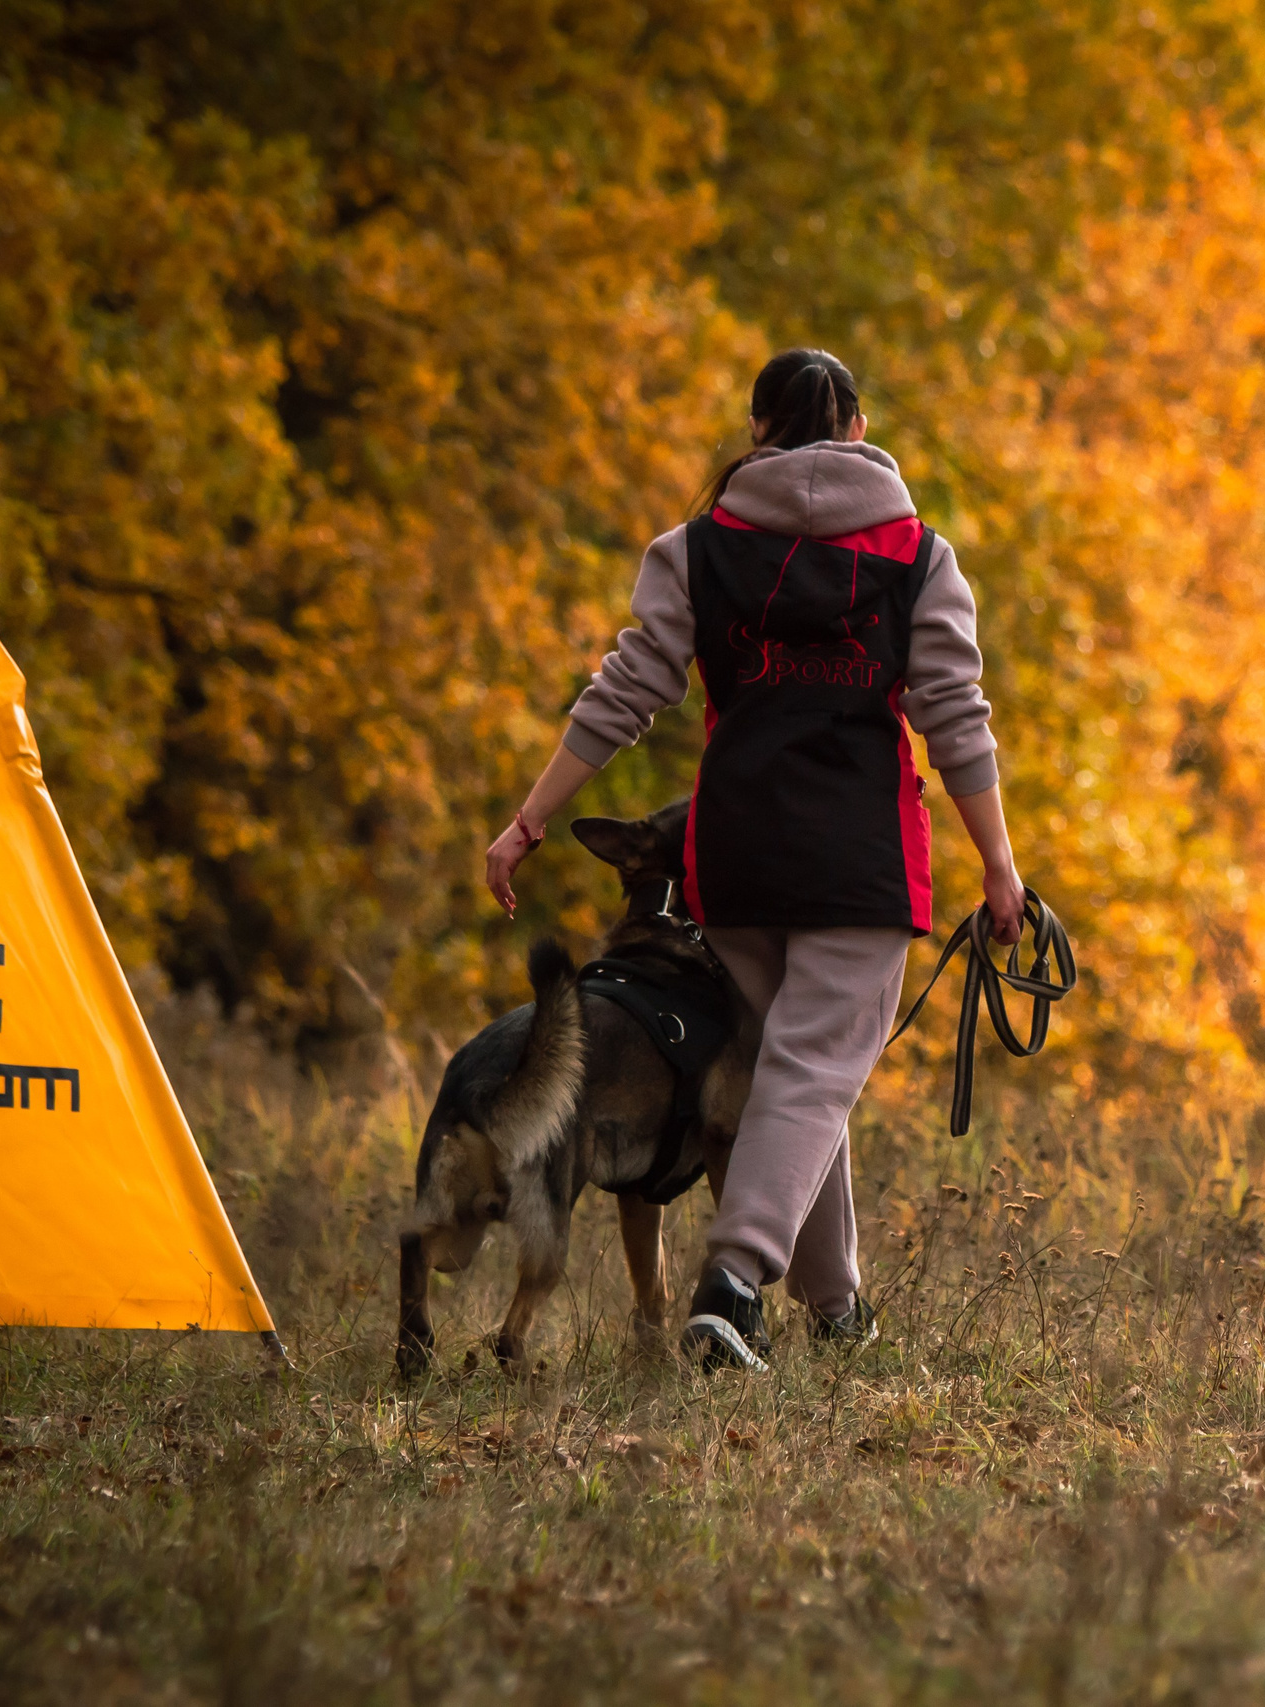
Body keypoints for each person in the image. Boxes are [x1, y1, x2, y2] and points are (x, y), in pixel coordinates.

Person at [482, 348, 1022, 1372]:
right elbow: (954, 716)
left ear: (757, 429)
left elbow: (625, 691)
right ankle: (732, 1284)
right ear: (858, 428)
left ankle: (837, 1307)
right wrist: (998, 863)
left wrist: (529, 820)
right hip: (858, 860)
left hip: (731, 856)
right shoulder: (921, 557)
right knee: (815, 1071)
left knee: (795, 1071)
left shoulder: (697, 550)